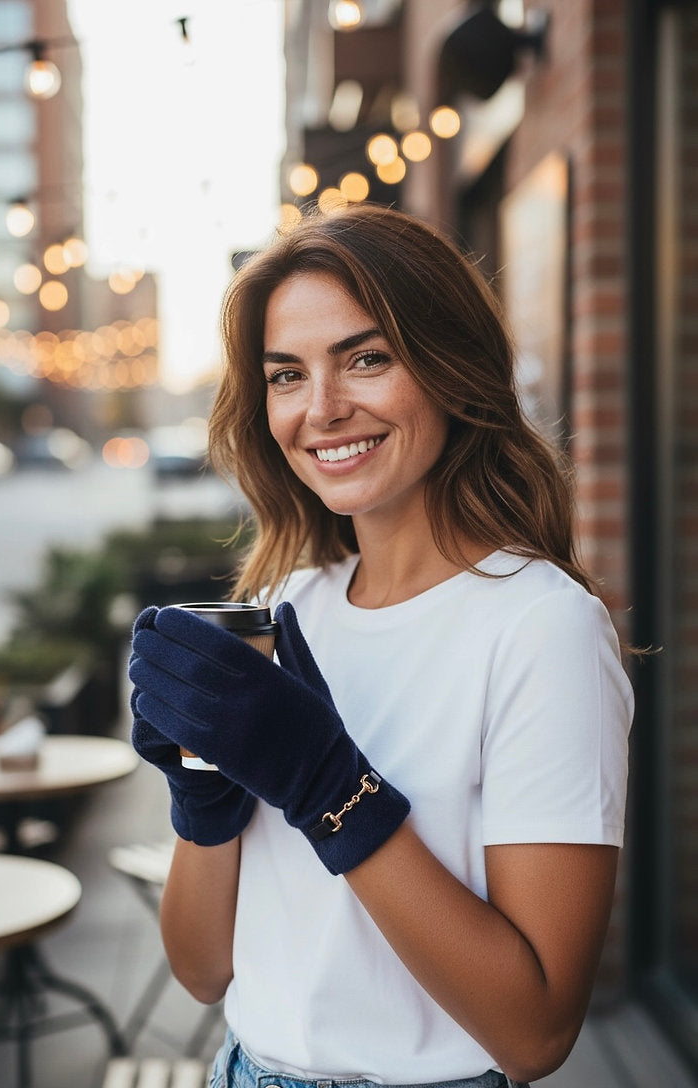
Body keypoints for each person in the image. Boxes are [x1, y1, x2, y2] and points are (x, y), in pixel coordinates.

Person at [129, 204, 634, 1088]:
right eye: (286, 375)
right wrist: (201, 795)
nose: (321, 410)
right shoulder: (285, 609)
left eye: (366, 359)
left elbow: (536, 1033)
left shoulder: (541, 628)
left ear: (451, 370)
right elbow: (203, 969)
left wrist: (330, 789)